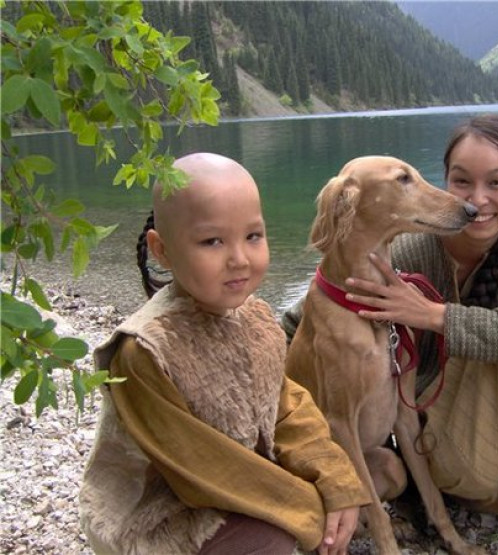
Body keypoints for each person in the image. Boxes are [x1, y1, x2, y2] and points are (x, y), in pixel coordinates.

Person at [282, 114, 498, 555]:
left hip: (471, 413)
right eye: (461, 181)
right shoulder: (405, 246)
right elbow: (303, 321)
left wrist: (435, 316)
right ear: (446, 180)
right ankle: (427, 498)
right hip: (432, 422)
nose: (477, 200)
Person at [79, 152, 371, 555]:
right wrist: (309, 510)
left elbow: (285, 408)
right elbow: (199, 466)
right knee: (271, 541)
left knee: (329, 499)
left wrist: (335, 478)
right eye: (212, 241)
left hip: (239, 479)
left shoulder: (256, 317)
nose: (239, 259)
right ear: (162, 250)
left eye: (253, 236)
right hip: (162, 507)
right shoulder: (144, 351)